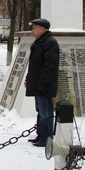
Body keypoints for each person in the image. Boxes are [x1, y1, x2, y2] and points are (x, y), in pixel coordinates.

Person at [24, 18, 60, 148]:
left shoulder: (50, 43)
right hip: (37, 83)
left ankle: (47, 138)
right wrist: (29, 78)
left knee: (46, 112)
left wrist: (42, 83)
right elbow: (34, 65)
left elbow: (49, 66)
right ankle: (41, 135)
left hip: (44, 85)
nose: (32, 30)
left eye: (34, 28)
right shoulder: (39, 42)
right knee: (40, 110)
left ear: (43, 29)